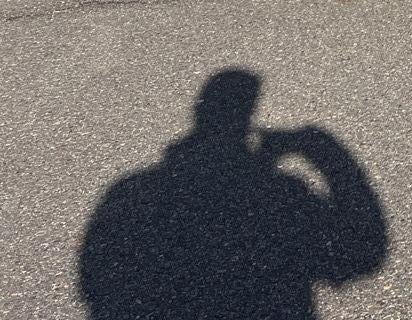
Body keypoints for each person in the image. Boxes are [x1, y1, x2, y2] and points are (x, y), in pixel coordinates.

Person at [79, 68, 388, 319]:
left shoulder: (131, 191)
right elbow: (363, 252)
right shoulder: (281, 195)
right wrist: (320, 147)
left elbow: (94, 281)